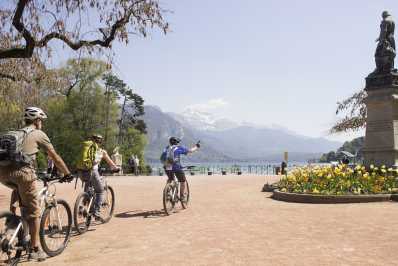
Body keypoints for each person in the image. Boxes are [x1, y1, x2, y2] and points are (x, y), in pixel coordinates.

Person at [0, 107, 73, 262]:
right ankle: (35, 250)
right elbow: (54, 156)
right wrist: (67, 173)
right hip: (23, 175)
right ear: (37, 121)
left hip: (3, 174)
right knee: (34, 214)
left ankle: (15, 226)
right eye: (41, 121)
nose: (42, 124)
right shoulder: (38, 134)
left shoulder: (17, 133)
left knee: (21, 195)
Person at [79, 134, 119, 220]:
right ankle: (96, 212)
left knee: (88, 191)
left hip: (81, 172)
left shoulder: (86, 148)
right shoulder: (102, 151)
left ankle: (82, 206)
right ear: (100, 142)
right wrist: (116, 168)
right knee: (100, 191)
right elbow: (111, 164)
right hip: (92, 172)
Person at [160, 137, 200, 202]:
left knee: (170, 179)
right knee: (183, 181)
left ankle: (167, 192)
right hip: (176, 167)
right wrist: (196, 146)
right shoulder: (178, 147)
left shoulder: (166, 148)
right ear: (176, 142)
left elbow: (163, 157)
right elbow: (190, 151)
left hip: (167, 167)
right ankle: (182, 197)